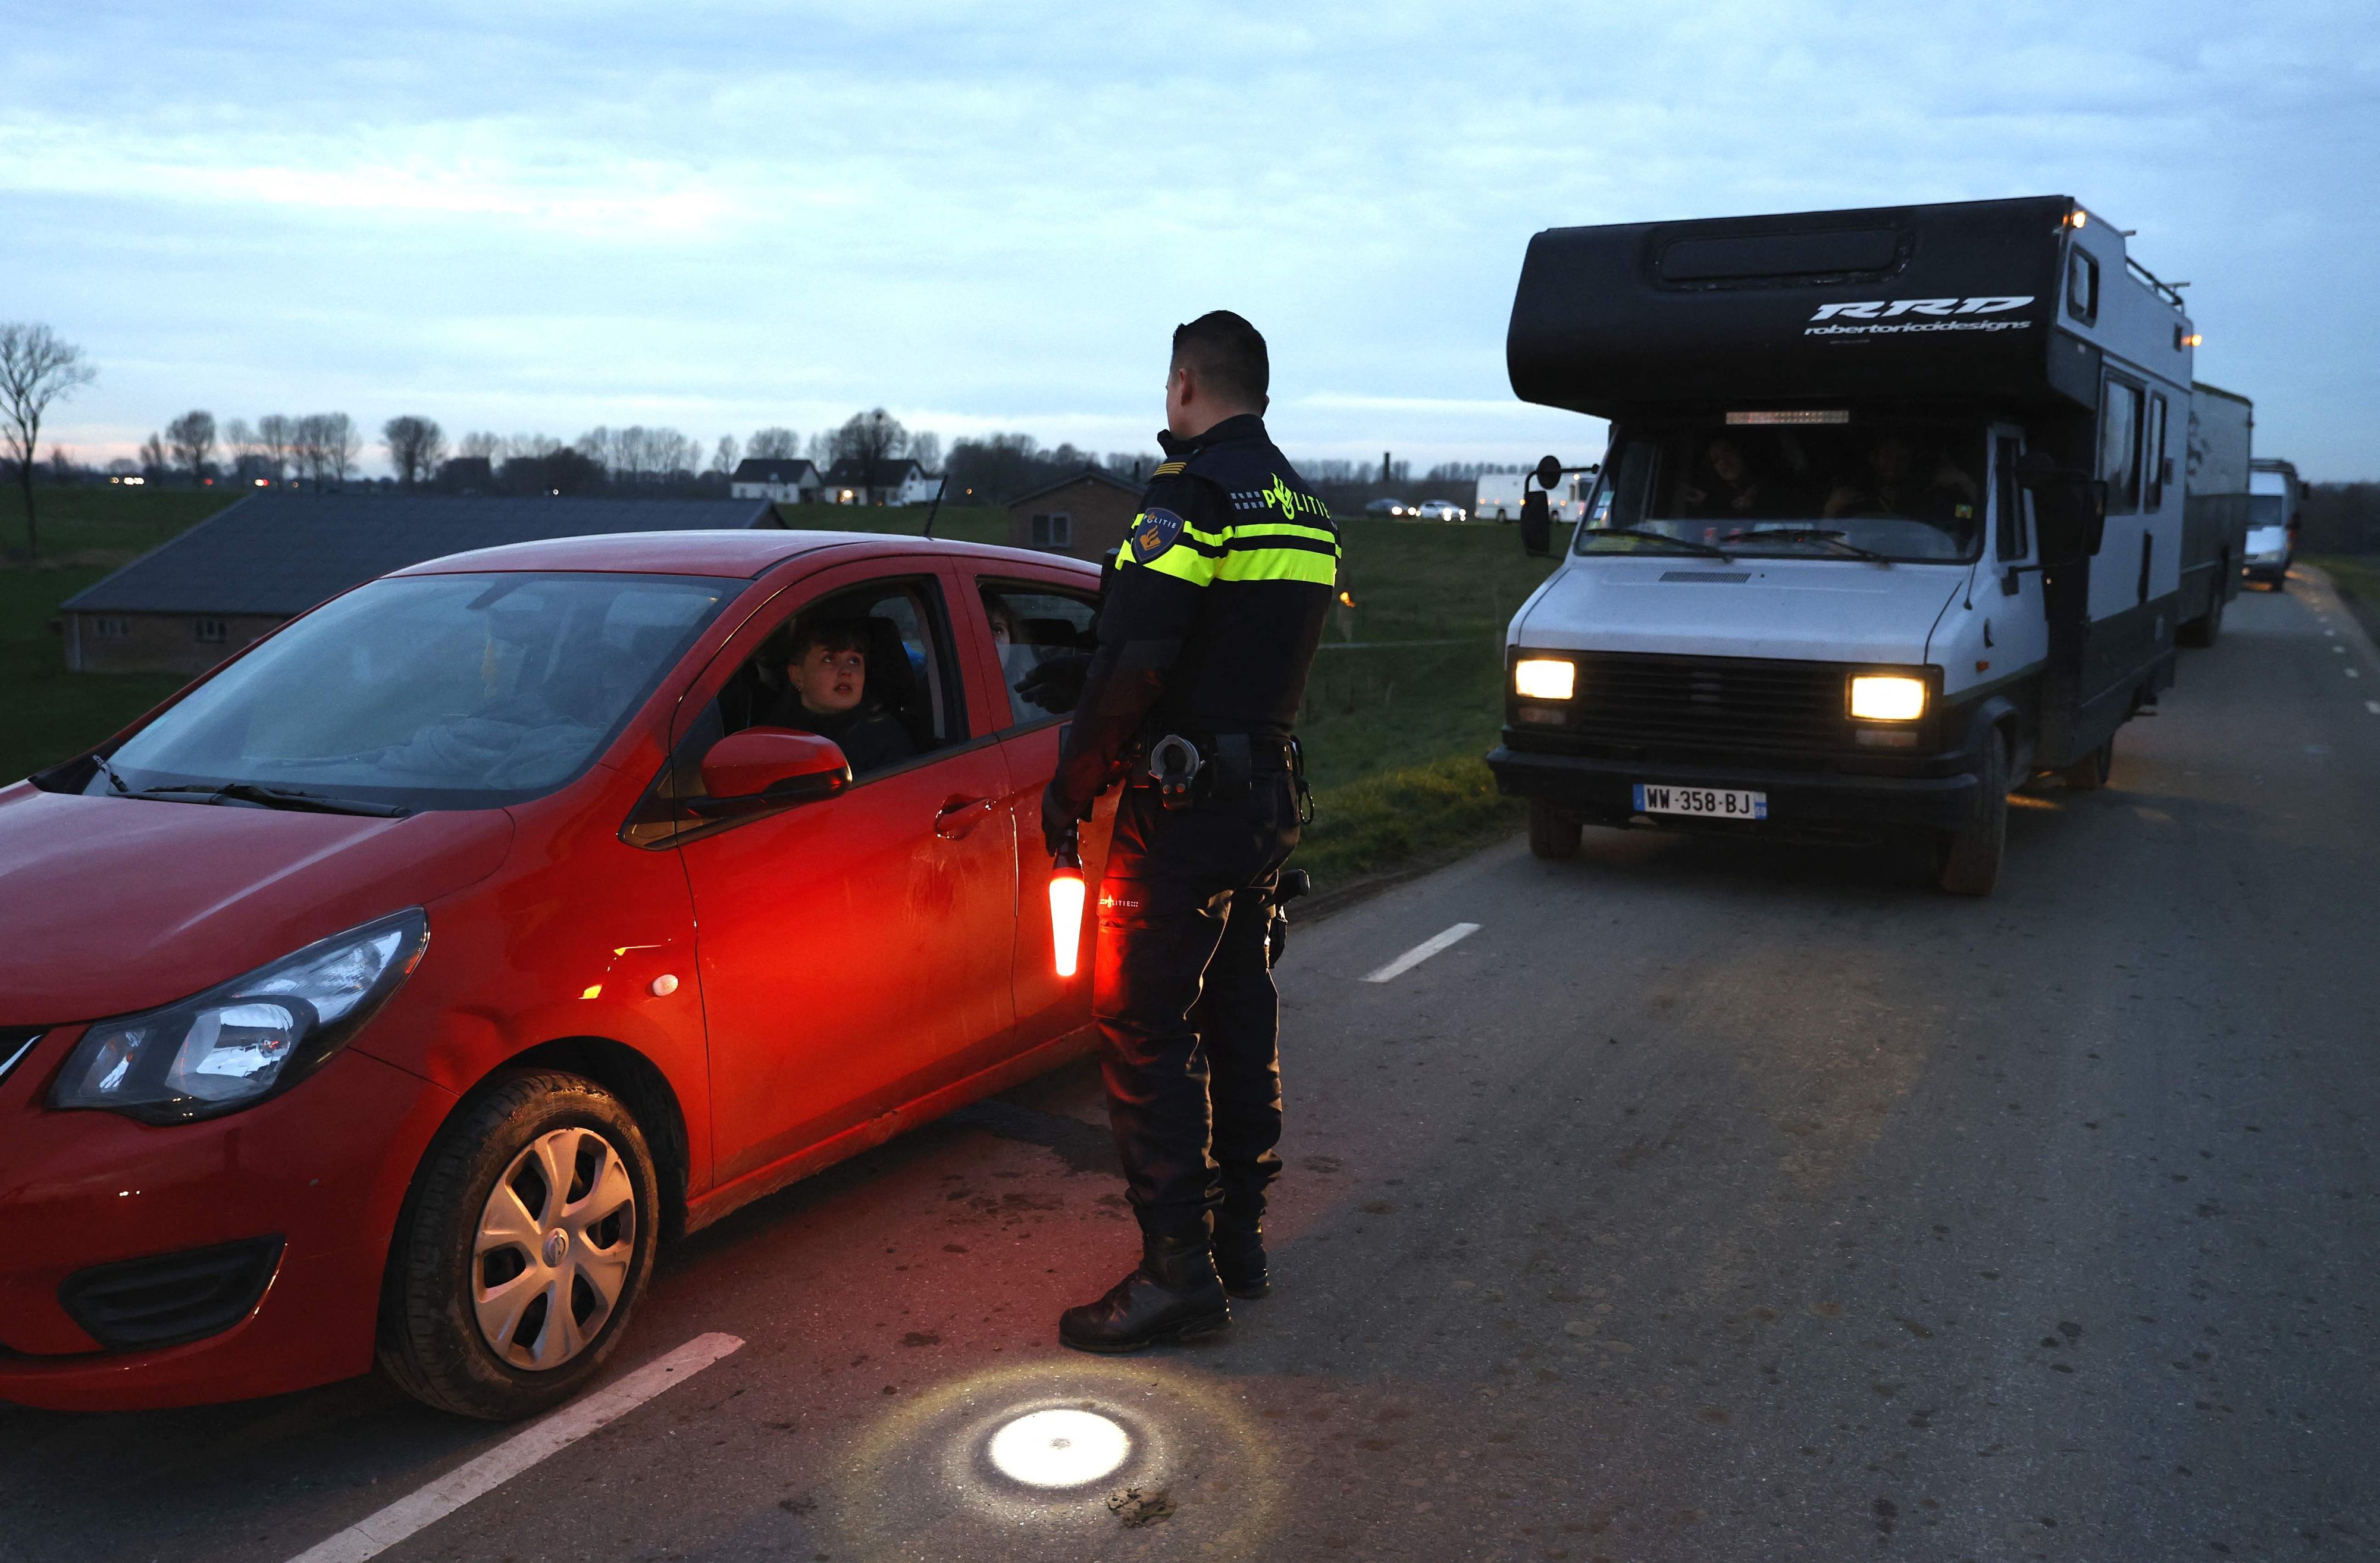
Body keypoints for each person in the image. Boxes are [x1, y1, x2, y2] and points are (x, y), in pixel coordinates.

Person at [1041, 310, 1339, 1353]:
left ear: (1183, 385)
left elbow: (1134, 658)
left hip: (1183, 806)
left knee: (1142, 1025)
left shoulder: (1189, 498)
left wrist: (1075, 782)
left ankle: (1175, 1273)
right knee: (1239, 1008)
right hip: (1263, 801)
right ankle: (1240, 1242)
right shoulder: (1305, 509)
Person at [764, 615, 915, 774]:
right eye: (829, 659)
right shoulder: (774, 738)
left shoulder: (885, 737)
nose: (846, 671)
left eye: (854, 661)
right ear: (797, 675)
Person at [1824, 434, 1979, 524]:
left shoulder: (1936, 498)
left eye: (1903, 458)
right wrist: (1830, 510)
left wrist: (1966, 483)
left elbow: (1973, 520)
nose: (1894, 463)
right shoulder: (1851, 499)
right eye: (1887, 455)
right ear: (1874, 458)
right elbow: (1825, 544)